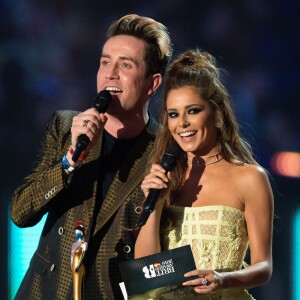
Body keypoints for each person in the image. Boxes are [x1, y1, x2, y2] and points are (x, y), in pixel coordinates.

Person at [10, 14, 172, 299]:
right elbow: (20, 213)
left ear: (152, 83)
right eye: (105, 62)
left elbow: (165, 264)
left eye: (125, 65)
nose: (110, 73)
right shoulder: (64, 127)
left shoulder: (165, 154)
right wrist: (68, 163)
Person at [134, 49, 274, 299]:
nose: (182, 123)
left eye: (193, 111)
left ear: (218, 115)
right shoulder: (166, 178)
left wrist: (223, 279)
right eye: (174, 114)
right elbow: (146, 273)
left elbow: (264, 267)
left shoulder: (250, 178)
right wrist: (153, 205)